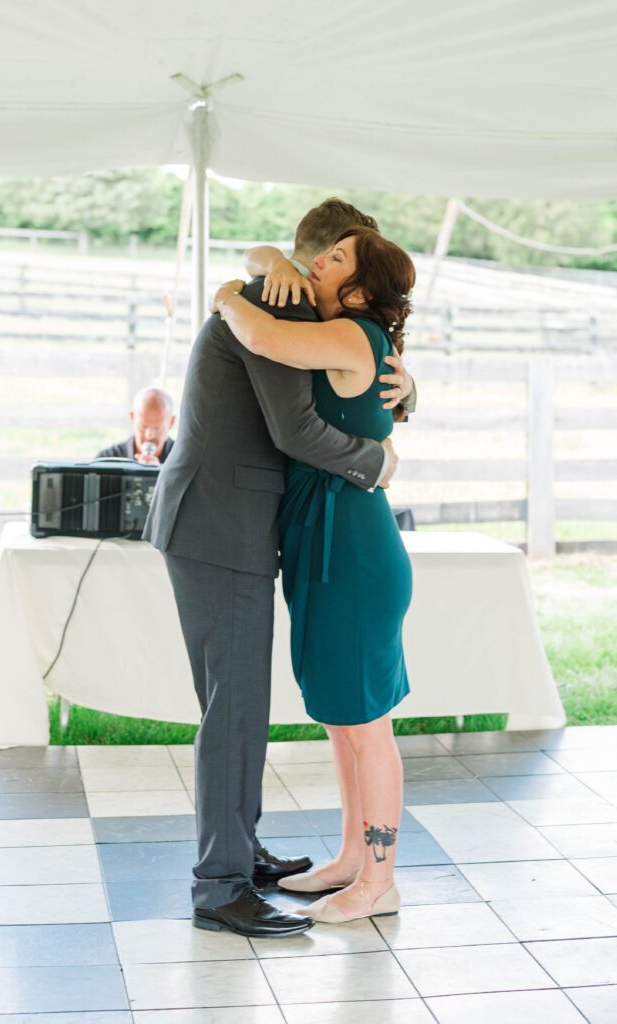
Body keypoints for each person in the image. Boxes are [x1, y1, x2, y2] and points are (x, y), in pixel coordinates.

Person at [143, 199, 415, 939]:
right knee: (233, 709)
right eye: (324, 258)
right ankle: (221, 885)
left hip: (227, 523)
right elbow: (297, 430)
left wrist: (402, 394)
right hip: (218, 524)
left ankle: (237, 853)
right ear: (308, 261)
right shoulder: (271, 301)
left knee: (240, 705)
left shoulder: (292, 308)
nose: (317, 271)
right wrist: (378, 461)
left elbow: (348, 389)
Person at [96, 386, 176, 465]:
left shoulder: (183, 459)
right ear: (132, 417)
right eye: (143, 426)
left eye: (157, 428)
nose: (149, 436)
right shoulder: (106, 460)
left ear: (171, 422)